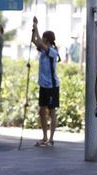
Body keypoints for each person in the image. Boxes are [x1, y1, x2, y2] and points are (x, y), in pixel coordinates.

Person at [31, 16, 60, 147]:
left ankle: (51, 138)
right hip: (43, 85)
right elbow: (34, 41)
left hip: (52, 86)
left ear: (47, 39)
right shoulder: (43, 50)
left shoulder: (52, 51)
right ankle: (44, 137)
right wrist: (33, 30)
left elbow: (40, 43)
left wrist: (36, 26)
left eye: (43, 38)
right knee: (42, 111)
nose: (41, 39)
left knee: (51, 111)